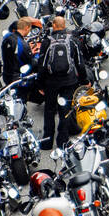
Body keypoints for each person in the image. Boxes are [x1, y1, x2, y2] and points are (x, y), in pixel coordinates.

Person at [35, 15, 82, 148]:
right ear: (64, 25)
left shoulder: (47, 41)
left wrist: (40, 84)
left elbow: (42, 64)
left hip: (51, 83)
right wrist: (84, 80)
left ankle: (47, 142)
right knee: (65, 111)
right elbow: (79, 62)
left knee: (49, 110)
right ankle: (62, 141)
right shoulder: (72, 40)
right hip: (69, 82)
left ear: (54, 26)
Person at [2, 16, 40, 86]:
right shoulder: (24, 45)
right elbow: (31, 62)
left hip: (6, 75)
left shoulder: (7, 37)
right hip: (18, 79)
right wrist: (37, 55)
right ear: (26, 28)